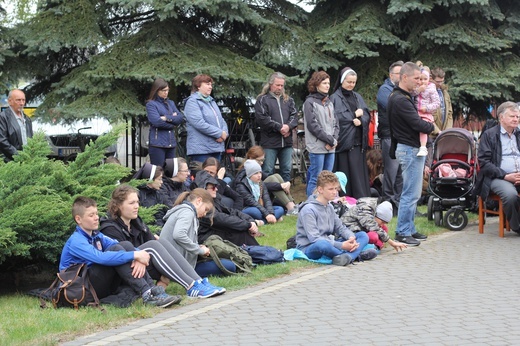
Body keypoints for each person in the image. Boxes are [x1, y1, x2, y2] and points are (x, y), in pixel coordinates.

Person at [98, 185, 225, 298]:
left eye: (137, 202)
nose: (137, 206)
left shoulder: (136, 222)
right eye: (131, 203)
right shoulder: (110, 228)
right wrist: (139, 257)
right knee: (153, 245)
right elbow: (122, 256)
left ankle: (198, 282)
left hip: (140, 265)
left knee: (161, 242)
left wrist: (141, 258)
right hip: (121, 274)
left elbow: (152, 243)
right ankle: (191, 286)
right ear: (118, 206)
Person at [59, 196, 181, 307]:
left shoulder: (97, 235)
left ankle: (152, 290)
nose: (96, 218)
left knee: (125, 245)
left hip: (95, 282)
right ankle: (148, 293)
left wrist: (140, 256)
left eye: (96, 213)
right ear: (78, 219)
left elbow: (120, 245)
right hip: (80, 287)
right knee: (118, 250)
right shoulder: (76, 241)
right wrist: (135, 255)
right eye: (91, 215)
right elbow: (100, 258)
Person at [387, 61, 435, 246]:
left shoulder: (403, 97)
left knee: (413, 193)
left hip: (410, 148)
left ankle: (410, 229)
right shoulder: (400, 100)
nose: (418, 82)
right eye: (416, 78)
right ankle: (402, 232)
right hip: (409, 149)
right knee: (409, 193)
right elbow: (418, 124)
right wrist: (431, 126)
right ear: (404, 77)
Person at [296, 170, 377, 266]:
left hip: (330, 242)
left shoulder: (329, 206)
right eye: (331, 189)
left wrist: (351, 238)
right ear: (320, 189)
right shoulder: (308, 209)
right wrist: (341, 245)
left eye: (336, 189)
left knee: (363, 235)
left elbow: (340, 228)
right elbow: (314, 239)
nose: (335, 192)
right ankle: (355, 255)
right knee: (322, 244)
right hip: (310, 247)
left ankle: (347, 257)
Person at [161, 188, 237, 277]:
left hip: (174, 262)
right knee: (229, 266)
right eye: (206, 209)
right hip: (177, 266)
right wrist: (200, 250)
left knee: (227, 264)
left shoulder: (183, 210)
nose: (205, 214)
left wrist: (198, 247)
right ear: (199, 201)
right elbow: (179, 235)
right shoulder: (187, 212)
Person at [475, 101, 520, 234]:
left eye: (517, 117)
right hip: (497, 177)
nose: (516, 119)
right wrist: (506, 175)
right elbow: (484, 162)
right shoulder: (489, 135)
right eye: (512, 116)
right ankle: (517, 226)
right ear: (501, 117)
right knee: (510, 195)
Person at [330, 67, 371, 199]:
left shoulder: (357, 97)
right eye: (349, 82)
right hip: (344, 143)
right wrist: (353, 117)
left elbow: (366, 114)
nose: (351, 85)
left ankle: (360, 198)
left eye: (353, 82)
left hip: (358, 142)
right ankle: (346, 198)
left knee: (358, 175)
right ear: (342, 81)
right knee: (346, 173)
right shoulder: (334, 98)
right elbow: (335, 118)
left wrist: (361, 121)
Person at [194, 170, 261, 246]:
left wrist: (250, 221)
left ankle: (261, 252)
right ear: (204, 189)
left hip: (215, 232)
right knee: (240, 231)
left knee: (240, 229)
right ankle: (261, 252)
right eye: (213, 187)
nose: (216, 189)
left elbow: (232, 211)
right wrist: (248, 225)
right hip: (205, 238)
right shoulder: (200, 206)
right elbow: (222, 219)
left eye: (216, 186)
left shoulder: (214, 200)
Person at [254, 72, 298, 182]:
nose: (280, 88)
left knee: (286, 170)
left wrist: (288, 127)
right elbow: (263, 119)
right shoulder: (262, 100)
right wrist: (280, 128)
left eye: (282, 85)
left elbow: (295, 116)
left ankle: (285, 198)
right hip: (270, 142)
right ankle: (267, 197)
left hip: (286, 142)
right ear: (270, 84)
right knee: (268, 171)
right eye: (277, 85)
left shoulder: (289, 100)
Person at [302, 71, 339, 197]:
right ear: (316, 84)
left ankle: (324, 206)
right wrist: (330, 140)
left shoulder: (329, 102)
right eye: (324, 83)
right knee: (316, 179)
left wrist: (334, 140)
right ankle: (311, 206)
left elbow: (336, 124)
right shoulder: (309, 102)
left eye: (328, 83)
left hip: (331, 147)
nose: (327, 85)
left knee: (328, 180)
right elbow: (313, 126)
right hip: (317, 148)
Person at [235, 145, 298, 215]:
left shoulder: (256, 169)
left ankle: (292, 205)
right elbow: (260, 185)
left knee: (276, 176)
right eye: (259, 160)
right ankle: (290, 207)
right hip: (251, 201)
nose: (262, 163)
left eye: (263, 160)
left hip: (261, 198)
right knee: (273, 179)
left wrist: (286, 183)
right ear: (251, 158)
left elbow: (268, 179)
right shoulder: (245, 171)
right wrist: (280, 186)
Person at [377, 61, 404, 212]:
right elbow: (393, 107)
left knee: (401, 173)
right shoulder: (384, 90)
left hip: (401, 136)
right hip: (389, 136)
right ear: (391, 75)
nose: (400, 77)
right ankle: (388, 204)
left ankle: (399, 204)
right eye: (398, 74)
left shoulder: (401, 90)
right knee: (391, 172)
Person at [183, 74, 228, 163]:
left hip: (216, 147)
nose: (210, 87)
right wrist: (219, 133)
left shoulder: (211, 101)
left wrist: (224, 134)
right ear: (198, 86)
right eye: (207, 84)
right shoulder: (192, 102)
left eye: (211, 84)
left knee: (215, 176)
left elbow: (221, 120)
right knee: (203, 176)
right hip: (201, 150)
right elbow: (199, 123)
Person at [340, 199, 407, 252]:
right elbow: (374, 227)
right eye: (382, 221)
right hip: (349, 234)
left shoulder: (373, 213)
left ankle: (376, 246)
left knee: (384, 228)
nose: (382, 224)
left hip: (360, 230)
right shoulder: (364, 211)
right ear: (376, 215)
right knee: (373, 236)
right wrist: (392, 243)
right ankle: (373, 247)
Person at [145, 78, 184, 167]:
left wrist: (166, 117)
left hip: (171, 144)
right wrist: (172, 122)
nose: (166, 93)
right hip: (157, 144)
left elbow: (180, 118)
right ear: (157, 90)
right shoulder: (151, 104)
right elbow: (156, 122)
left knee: (170, 172)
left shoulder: (170, 103)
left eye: (167, 90)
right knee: (159, 172)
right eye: (163, 90)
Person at [235, 159, 285, 224]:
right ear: (249, 175)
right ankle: (272, 219)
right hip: (247, 208)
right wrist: (266, 214)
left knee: (280, 209)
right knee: (256, 212)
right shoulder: (241, 185)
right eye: (256, 173)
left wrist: (270, 213)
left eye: (260, 172)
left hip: (261, 208)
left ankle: (263, 221)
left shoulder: (261, 183)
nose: (259, 175)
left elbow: (266, 199)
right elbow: (252, 202)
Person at [0, 89, 33, 162]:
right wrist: (18, 156)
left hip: (27, 161)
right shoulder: (3, 117)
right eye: (18, 100)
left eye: (23, 100)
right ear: (10, 101)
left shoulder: (27, 119)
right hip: (8, 162)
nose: (21, 103)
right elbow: (2, 141)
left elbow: (31, 140)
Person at [414, 64, 440, 156]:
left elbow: (437, 103)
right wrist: (418, 90)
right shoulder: (416, 87)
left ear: (429, 79)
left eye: (425, 79)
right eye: (420, 79)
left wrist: (427, 108)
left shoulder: (431, 89)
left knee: (423, 129)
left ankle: (423, 147)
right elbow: (411, 95)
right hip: (416, 112)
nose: (423, 81)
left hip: (425, 113)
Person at [431, 67, 453, 133]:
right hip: (431, 134)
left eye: (442, 81)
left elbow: (450, 113)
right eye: (437, 82)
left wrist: (447, 131)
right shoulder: (427, 93)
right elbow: (426, 116)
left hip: (443, 133)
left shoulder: (445, 93)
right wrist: (437, 131)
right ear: (431, 79)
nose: (440, 84)